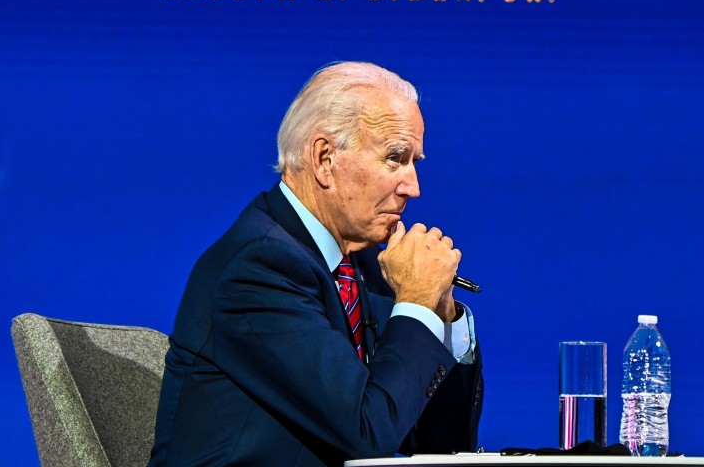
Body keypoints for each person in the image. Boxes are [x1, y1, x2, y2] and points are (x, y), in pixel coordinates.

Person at [148, 61, 483, 467]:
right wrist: (414, 301)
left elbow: (442, 443)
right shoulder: (257, 269)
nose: (413, 187)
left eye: (415, 161)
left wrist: (440, 315)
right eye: (395, 159)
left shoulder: (367, 267)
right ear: (324, 159)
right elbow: (368, 432)